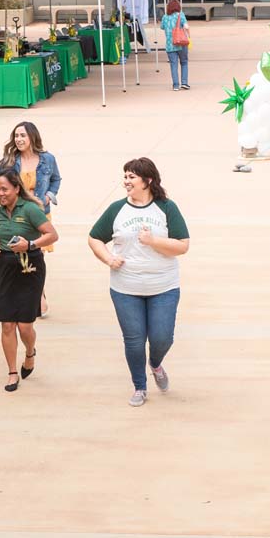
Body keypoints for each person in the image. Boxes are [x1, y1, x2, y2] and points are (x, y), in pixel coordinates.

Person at [87, 158, 190, 407]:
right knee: (133, 340)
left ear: (148, 180)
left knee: (162, 337)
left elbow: (183, 245)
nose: (126, 181)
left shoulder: (166, 208)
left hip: (163, 287)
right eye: (125, 176)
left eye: (132, 177)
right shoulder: (116, 209)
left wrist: (153, 241)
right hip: (125, 288)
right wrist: (109, 259)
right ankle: (139, 386)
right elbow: (94, 238)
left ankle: (155, 364)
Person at [0, 170, 58, 392]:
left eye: (4, 189)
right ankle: (11, 372)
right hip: (6, 268)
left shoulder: (30, 209)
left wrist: (29, 244)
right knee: (7, 323)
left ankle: (30, 352)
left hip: (30, 267)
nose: (0, 193)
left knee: (25, 325)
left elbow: (51, 235)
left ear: (16, 188)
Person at [0, 122, 61, 316]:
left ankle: (38, 293)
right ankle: (24, 291)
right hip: (17, 214)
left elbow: (56, 179)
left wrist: (50, 195)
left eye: (23, 135)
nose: (19, 139)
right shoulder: (8, 162)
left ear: (32, 137)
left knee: (36, 252)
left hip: (40, 212)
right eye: (16, 136)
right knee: (17, 250)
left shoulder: (47, 159)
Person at [159, 0, 190, 91]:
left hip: (170, 45)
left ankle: (176, 85)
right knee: (184, 62)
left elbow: (162, 27)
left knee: (173, 65)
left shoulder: (165, 17)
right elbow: (186, 26)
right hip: (181, 43)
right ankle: (184, 83)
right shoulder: (181, 15)